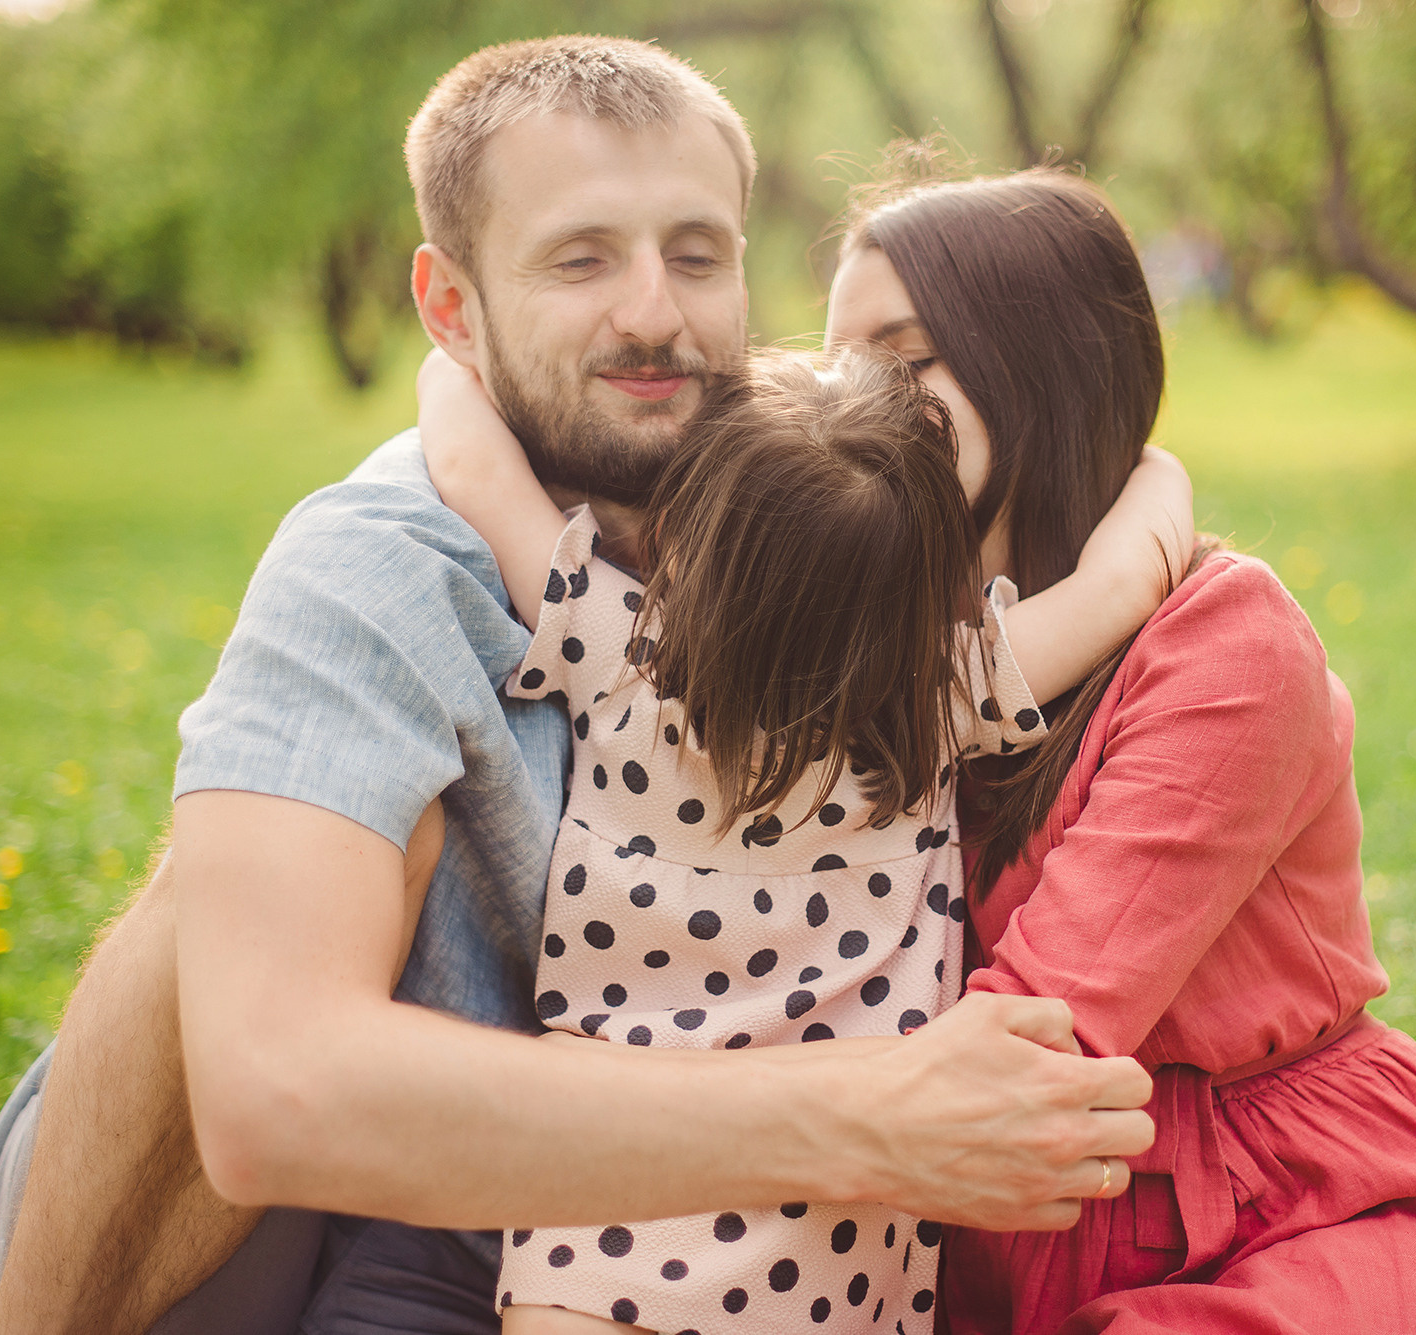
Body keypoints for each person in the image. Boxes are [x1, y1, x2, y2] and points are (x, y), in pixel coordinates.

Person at [0, 40, 1154, 1335]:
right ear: (452, 309)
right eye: (581, 259)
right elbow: (271, 1094)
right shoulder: (384, 561)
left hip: (640, 1244)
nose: (654, 313)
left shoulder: (833, 550)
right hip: (279, 1231)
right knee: (230, 884)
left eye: (697, 254)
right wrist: (872, 1109)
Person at [822, 166, 1416, 1335]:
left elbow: (1042, 1036)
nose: (847, 399)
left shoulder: (1223, 642)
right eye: (833, 360)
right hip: (987, 1215)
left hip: (1295, 1206)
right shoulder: (873, 650)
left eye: (907, 355)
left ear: (1041, 367)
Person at [413, 343, 1195, 1335]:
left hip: (599, 1218)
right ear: (925, 590)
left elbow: (470, 468)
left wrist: (450, 361)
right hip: (826, 1260)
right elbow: (1131, 577)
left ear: (674, 539)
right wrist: (1158, 466)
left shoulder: (610, 652)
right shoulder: (944, 701)